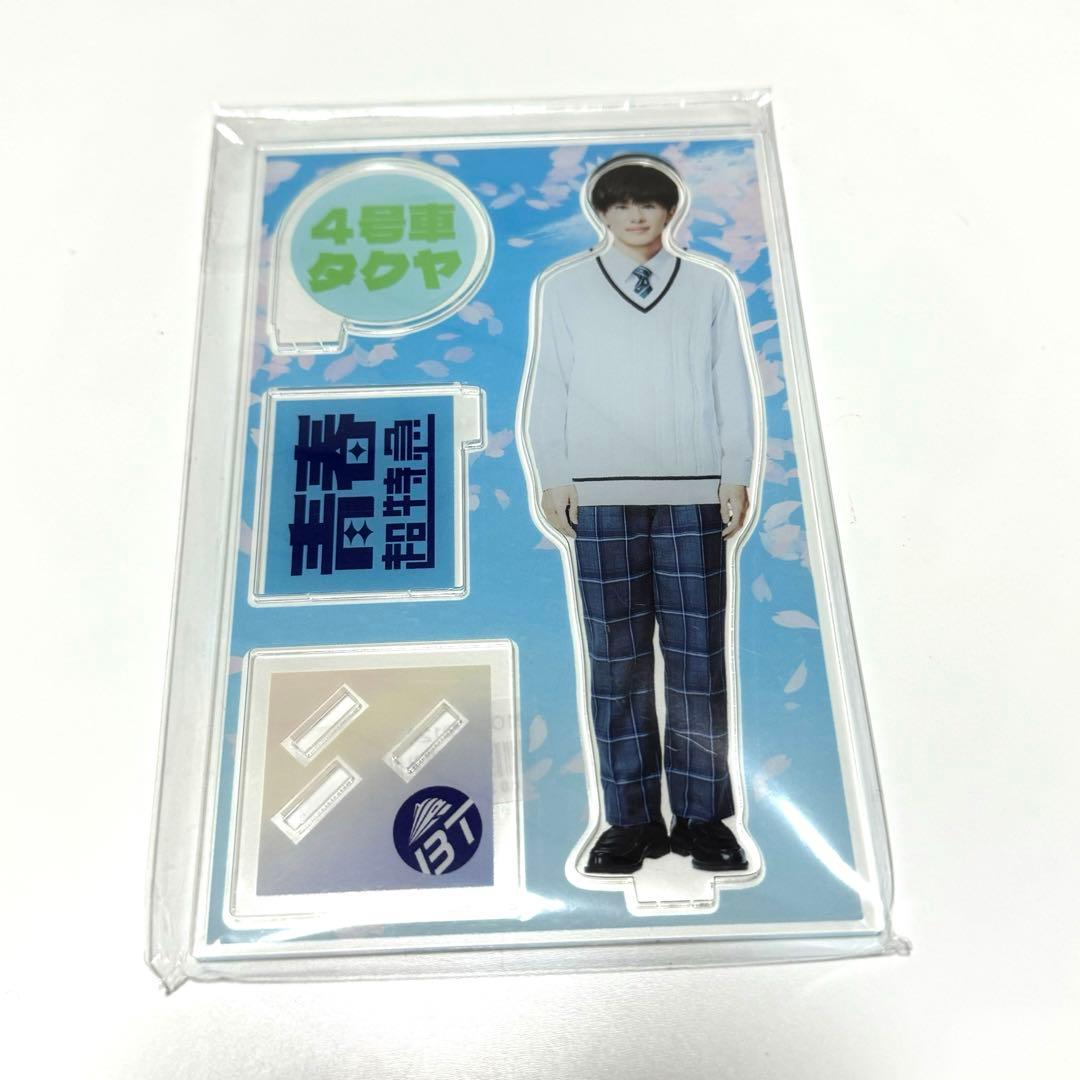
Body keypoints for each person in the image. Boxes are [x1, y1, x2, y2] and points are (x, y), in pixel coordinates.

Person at [523, 154, 756, 875]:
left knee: (697, 660)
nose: (635, 215)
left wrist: (736, 471)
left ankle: (702, 819)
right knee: (616, 662)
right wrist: (554, 474)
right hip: (599, 492)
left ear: (668, 211)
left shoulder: (708, 286)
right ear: (602, 212)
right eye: (621, 204)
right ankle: (629, 822)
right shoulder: (564, 288)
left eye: (648, 203)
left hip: (692, 489)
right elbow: (550, 381)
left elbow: (731, 381)